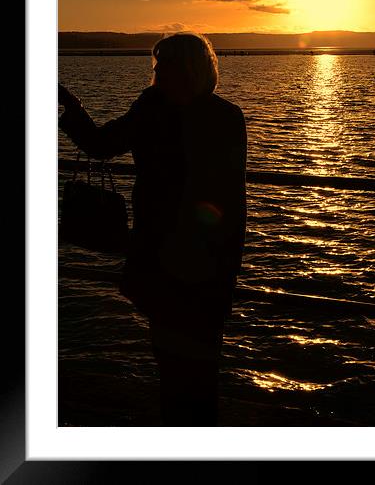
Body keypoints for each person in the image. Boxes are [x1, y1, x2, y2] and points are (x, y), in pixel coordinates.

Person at [58, 32, 247, 426]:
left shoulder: (217, 116)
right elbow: (101, 144)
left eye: (164, 64)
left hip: (199, 263)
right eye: (157, 63)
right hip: (165, 258)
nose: (156, 70)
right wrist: (71, 107)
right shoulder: (158, 108)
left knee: (195, 370)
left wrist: (225, 267)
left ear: (187, 69)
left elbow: (231, 202)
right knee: (174, 364)